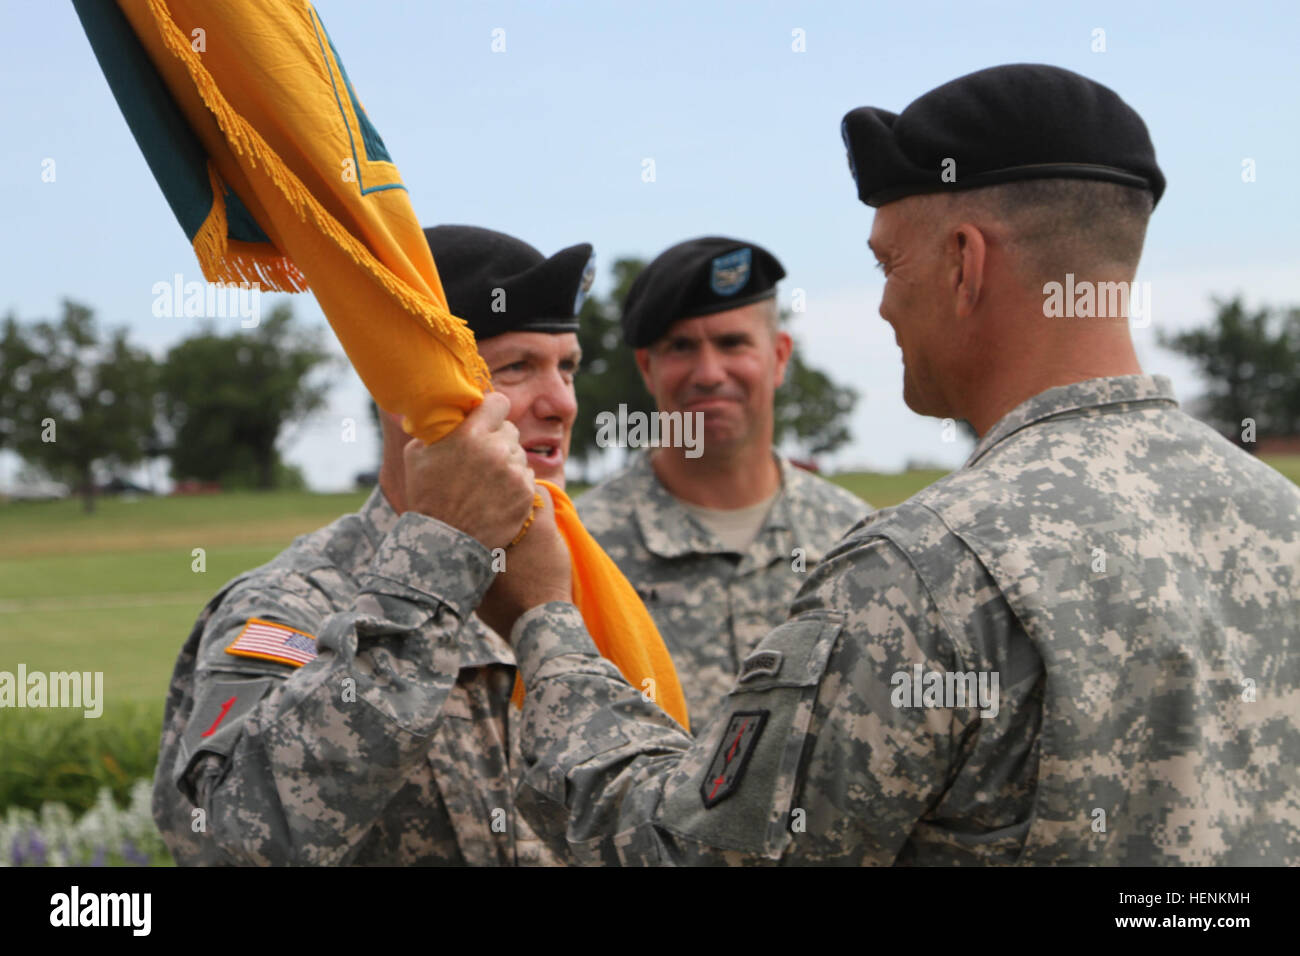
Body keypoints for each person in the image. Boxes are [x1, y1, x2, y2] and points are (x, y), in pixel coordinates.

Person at [463, 64, 1300, 865]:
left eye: (889, 262)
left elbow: (684, 853)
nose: (884, 303)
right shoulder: (1280, 521)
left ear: (964, 262)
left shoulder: (925, 569)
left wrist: (545, 622)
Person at [151, 224, 593, 865]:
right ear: (409, 394)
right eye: (517, 367)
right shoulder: (294, 605)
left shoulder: (593, 584)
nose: (561, 403)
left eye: (569, 368)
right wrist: (436, 566)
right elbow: (224, 840)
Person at [578, 237, 870, 725]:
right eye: (681, 347)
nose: (709, 373)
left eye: (733, 343)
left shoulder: (857, 541)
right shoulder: (583, 552)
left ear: (779, 356)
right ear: (647, 368)